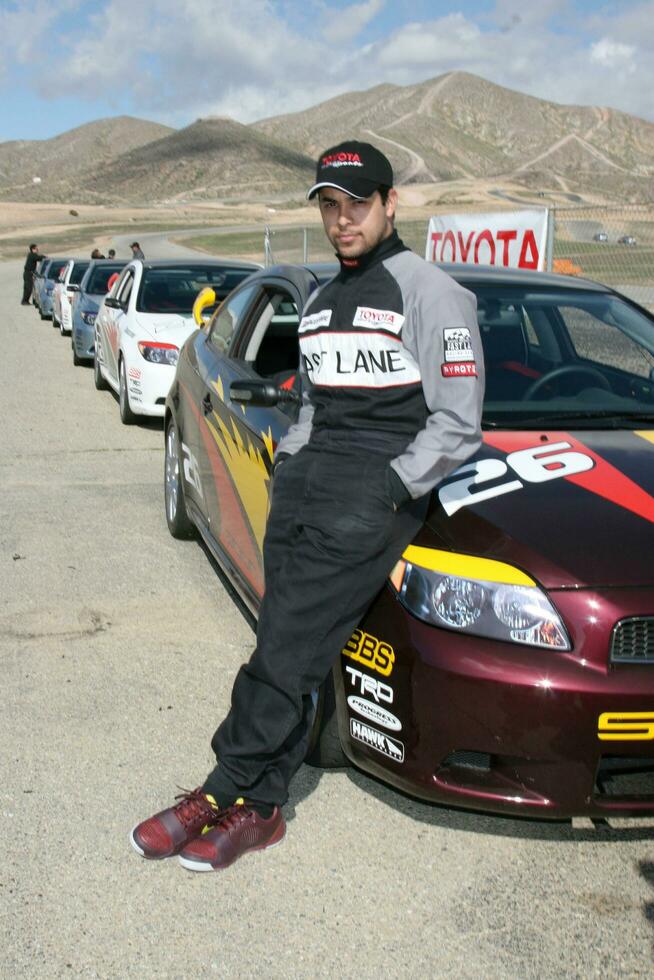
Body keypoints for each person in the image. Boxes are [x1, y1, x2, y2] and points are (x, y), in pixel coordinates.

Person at [131, 140, 485, 873]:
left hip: (371, 491)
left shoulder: (431, 293)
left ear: (391, 204)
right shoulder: (323, 302)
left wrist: (392, 486)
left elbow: (458, 420)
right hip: (303, 485)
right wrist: (290, 462)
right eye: (330, 205)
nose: (343, 218)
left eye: (358, 203)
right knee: (288, 646)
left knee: (285, 646)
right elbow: (312, 405)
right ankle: (261, 810)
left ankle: (219, 788)